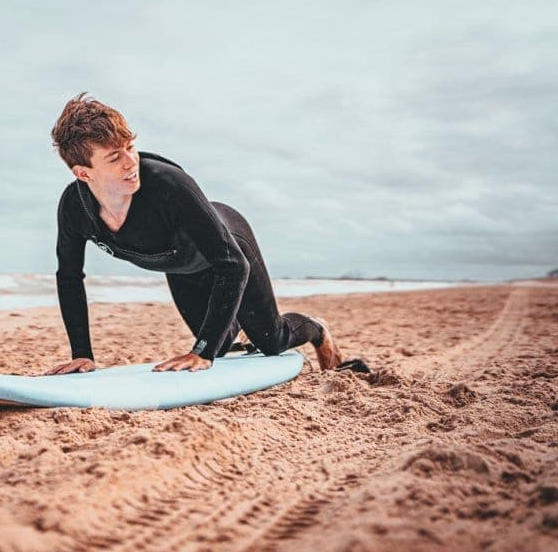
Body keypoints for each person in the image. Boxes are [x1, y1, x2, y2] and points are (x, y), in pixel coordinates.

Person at [45, 93, 346, 376]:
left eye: (131, 146)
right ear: (83, 173)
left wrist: (202, 352)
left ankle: (317, 329)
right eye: (114, 158)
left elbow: (233, 265)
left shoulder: (169, 185)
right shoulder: (75, 208)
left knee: (271, 341)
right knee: (223, 344)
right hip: (180, 266)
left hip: (225, 247)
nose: (130, 162)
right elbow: (69, 277)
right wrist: (82, 353)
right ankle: (237, 323)